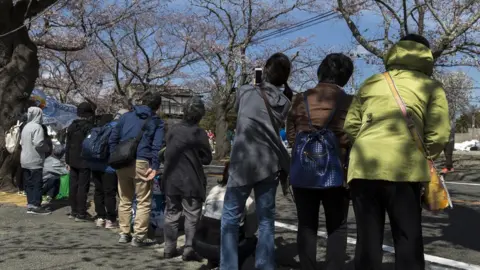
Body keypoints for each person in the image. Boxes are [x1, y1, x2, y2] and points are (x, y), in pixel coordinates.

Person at [344, 34, 450, 270]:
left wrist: (366, 144)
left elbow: (351, 125)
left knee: (368, 242)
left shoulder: (372, 82)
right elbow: (439, 134)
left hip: (363, 167)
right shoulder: (431, 87)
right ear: (426, 55)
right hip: (404, 169)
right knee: (407, 239)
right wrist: (423, 155)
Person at [221, 52, 292, 270]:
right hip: (269, 164)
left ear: (265, 72)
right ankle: (265, 266)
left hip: (242, 163)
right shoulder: (285, 102)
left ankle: (228, 266)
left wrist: (255, 83)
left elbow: (238, 108)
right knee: (266, 221)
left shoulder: (245, 91)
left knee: (231, 219)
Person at [286, 53, 354, 270]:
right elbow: (353, 135)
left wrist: (308, 148)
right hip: (337, 171)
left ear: (321, 72)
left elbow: (291, 134)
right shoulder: (349, 101)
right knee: (337, 226)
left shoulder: (299, 98)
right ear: (345, 76)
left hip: (304, 169)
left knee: (306, 224)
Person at [109, 93, 164, 247]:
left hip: (122, 161)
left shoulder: (126, 116)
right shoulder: (156, 121)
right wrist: (154, 166)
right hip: (142, 161)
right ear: (158, 106)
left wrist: (115, 154)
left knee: (124, 199)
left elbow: (113, 136)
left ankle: (124, 233)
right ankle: (139, 236)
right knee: (143, 201)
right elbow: (157, 146)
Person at [162, 96, 213, 260]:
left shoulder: (173, 129)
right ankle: (189, 249)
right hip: (191, 180)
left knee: (171, 214)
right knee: (192, 216)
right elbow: (207, 158)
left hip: (171, 178)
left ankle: (169, 248)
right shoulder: (199, 132)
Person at [193, 161, 257, 269]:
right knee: (252, 240)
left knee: (213, 229)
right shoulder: (247, 200)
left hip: (199, 243)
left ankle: (212, 261)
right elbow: (250, 230)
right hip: (224, 248)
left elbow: (204, 217)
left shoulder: (214, 191)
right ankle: (235, 265)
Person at [91, 111, 127, 229]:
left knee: (98, 191)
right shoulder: (117, 128)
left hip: (95, 164)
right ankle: (110, 219)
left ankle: (100, 217)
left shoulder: (100, 127)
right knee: (109, 193)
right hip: (109, 167)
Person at [66, 102, 96, 221]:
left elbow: (67, 145)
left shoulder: (72, 126)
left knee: (73, 186)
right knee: (83, 187)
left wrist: (67, 160)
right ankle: (81, 213)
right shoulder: (89, 127)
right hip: (85, 160)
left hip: (72, 160)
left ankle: (74, 211)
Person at [20, 107, 51, 215]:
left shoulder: (26, 127)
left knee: (28, 184)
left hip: (24, 159)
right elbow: (39, 144)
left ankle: (30, 204)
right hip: (35, 159)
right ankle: (36, 206)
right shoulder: (37, 127)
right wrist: (47, 148)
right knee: (37, 183)